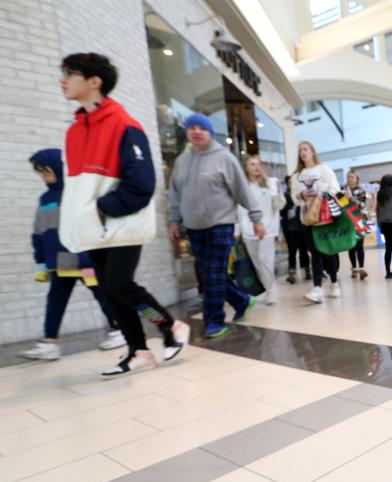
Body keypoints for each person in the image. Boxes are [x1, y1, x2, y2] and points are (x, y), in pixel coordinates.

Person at [58, 52, 189, 377]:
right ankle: (138, 350)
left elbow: (142, 183)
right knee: (108, 288)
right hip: (92, 225)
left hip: (120, 221)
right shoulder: (74, 132)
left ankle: (169, 326)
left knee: (119, 284)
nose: (63, 80)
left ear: (94, 81)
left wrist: (102, 209)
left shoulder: (124, 125)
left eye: (70, 73)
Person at [19, 148, 125, 361]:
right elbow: (38, 232)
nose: (43, 176)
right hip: (61, 262)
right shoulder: (45, 199)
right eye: (39, 173)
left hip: (84, 259)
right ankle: (49, 343)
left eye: (45, 171)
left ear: (58, 168)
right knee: (56, 299)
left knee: (102, 294)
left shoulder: (77, 193)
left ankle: (119, 330)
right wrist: (40, 262)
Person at [168, 113, 264, 338]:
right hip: (193, 227)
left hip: (220, 224)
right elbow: (175, 194)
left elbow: (243, 190)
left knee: (212, 274)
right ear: (187, 133)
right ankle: (242, 300)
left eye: (202, 128)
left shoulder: (224, 158)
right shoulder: (182, 162)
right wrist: (174, 220)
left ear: (210, 132)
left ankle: (214, 321)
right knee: (210, 272)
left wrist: (256, 218)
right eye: (191, 128)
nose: (196, 131)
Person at [291, 141, 341, 303]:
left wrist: (322, 193)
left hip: (325, 217)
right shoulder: (297, 175)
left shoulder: (324, 170)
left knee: (328, 252)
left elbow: (335, 189)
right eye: (300, 151)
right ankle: (317, 288)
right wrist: (302, 196)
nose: (302, 153)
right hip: (308, 219)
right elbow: (294, 197)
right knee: (315, 254)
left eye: (305, 149)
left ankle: (334, 282)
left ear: (312, 151)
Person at [239, 156, 284, 305]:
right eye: (252, 164)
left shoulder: (270, 183)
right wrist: (237, 229)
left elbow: (279, 206)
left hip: (267, 229)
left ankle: (272, 290)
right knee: (257, 263)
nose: (257, 167)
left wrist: (278, 193)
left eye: (258, 164)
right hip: (248, 230)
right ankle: (267, 287)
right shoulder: (242, 186)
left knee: (266, 260)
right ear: (246, 168)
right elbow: (238, 210)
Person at [279, 175, 309, 284]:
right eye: (290, 182)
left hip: (301, 226)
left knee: (303, 249)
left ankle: (307, 270)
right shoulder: (285, 195)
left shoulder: (301, 194)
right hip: (290, 228)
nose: (292, 184)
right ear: (287, 184)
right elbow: (282, 213)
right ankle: (292, 273)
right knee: (292, 250)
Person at [344, 170, 368, 280]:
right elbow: (342, 206)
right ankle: (354, 268)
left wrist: (351, 199)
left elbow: (362, 204)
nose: (350, 179)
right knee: (351, 245)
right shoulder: (342, 190)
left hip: (360, 219)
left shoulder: (361, 190)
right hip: (348, 220)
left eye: (352, 177)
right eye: (348, 177)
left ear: (356, 178)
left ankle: (362, 268)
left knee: (359, 245)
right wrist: (345, 199)